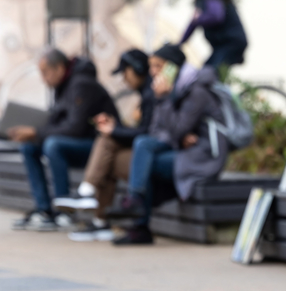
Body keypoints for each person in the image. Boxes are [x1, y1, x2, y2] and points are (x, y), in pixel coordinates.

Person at [106, 43, 229, 245]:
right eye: (151, 66)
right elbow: (158, 130)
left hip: (203, 155)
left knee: (145, 154)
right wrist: (178, 135)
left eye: (158, 66)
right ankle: (138, 215)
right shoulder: (173, 90)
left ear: (173, 67)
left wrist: (164, 100)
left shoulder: (196, 91)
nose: (152, 72)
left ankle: (138, 218)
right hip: (182, 149)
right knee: (145, 147)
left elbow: (178, 128)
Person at [6, 49, 118, 231]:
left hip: (98, 147)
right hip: (77, 143)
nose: (43, 79)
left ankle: (64, 211)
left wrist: (36, 131)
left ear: (59, 68)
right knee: (29, 147)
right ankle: (44, 210)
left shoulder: (81, 84)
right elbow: (58, 122)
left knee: (53, 145)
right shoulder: (63, 86)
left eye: (45, 72)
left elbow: (76, 128)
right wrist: (33, 132)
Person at [53, 49, 155, 242]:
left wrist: (114, 131)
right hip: (145, 152)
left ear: (137, 69)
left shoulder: (152, 94)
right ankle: (99, 222)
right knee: (107, 148)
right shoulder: (147, 93)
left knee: (107, 147)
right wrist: (115, 128)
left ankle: (87, 195)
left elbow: (147, 133)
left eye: (125, 73)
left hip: (151, 157)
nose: (124, 80)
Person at [180, 0, 248, 70]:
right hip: (222, 44)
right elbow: (193, 23)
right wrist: (179, 43)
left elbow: (216, 16)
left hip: (230, 42)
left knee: (208, 73)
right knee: (205, 72)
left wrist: (199, 19)